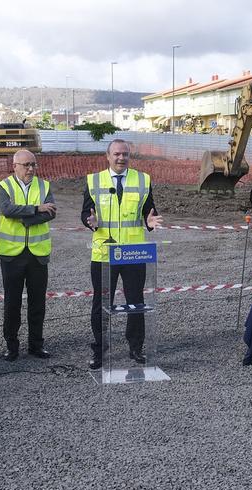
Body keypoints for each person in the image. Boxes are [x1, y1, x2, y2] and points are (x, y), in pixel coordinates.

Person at [82, 139, 163, 370]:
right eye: (116, 154)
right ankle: (99, 349)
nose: (121, 158)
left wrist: (149, 221)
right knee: (101, 303)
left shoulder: (143, 179)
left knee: (135, 302)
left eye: (125, 154)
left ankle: (136, 347)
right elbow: (84, 212)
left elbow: (150, 211)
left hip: (133, 253)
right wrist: (91, 222)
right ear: (107, 156)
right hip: (104, 253)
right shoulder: (93, 180)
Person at [0, 149, 56, 361]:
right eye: (26, 165)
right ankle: (11, 346)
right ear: (15, 166)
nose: (31, 169)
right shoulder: (3, 186)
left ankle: (36, 345)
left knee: (38, 302)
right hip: (12, 255)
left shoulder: (44, 185)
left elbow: (51, 213)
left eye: (33, 165)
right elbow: (7, 209)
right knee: (12, 303)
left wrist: (27, 218)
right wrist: (37, 208)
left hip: (38, 254)